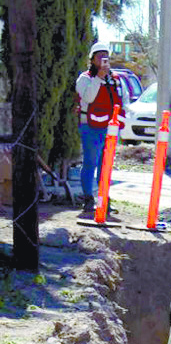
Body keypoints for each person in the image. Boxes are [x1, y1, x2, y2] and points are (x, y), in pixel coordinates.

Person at [75, 41, 125, 214]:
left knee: (106, 165)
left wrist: (121, 125)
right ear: (92, 59)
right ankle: (88, 199)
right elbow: (88, 98)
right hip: (90, 126)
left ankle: (104, 199)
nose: (103, 60)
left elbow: (120, 101)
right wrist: (99, 78)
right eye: (99, 57)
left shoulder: (116, 79)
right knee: (90, 162)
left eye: (106, 56)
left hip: (110, 129)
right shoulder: (85, 78)